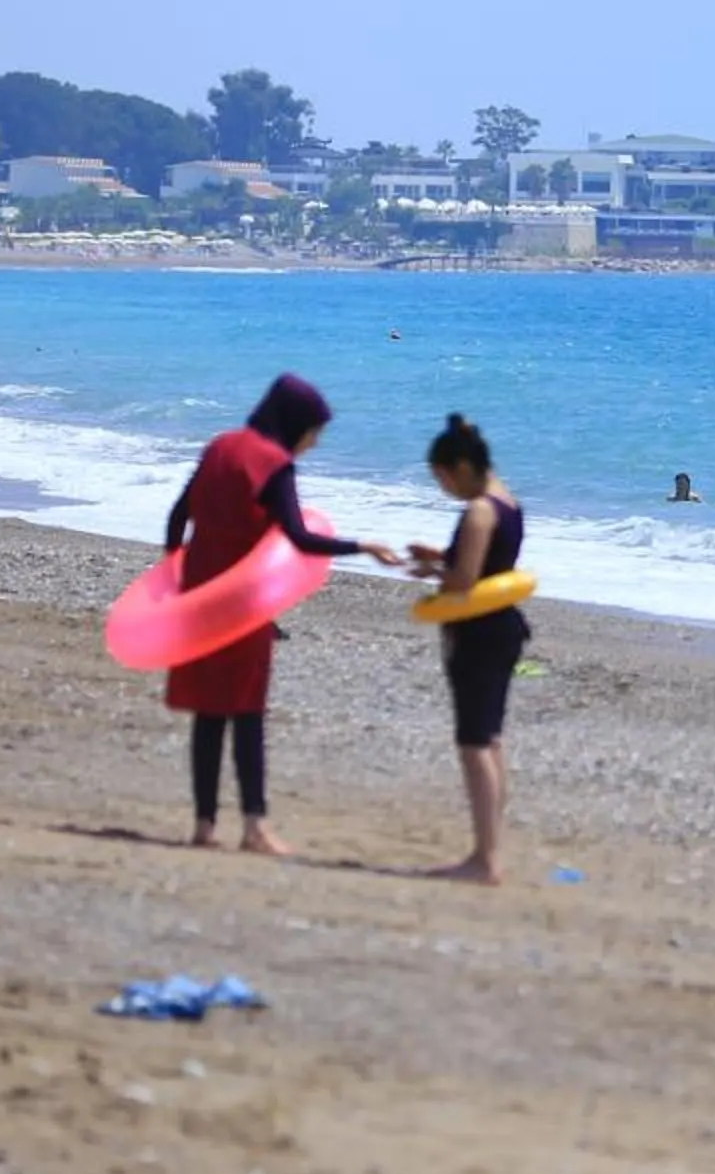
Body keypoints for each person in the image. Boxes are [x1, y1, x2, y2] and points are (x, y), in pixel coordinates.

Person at [163, 374, 400, 853]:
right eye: (314, 431)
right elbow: (299, 537)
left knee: (209, 712)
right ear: (295, 423)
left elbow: (177, 516)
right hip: (244, 602)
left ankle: (204, 827)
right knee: (246, 710)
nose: (314, 442)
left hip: (200, 594)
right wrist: (363, 546)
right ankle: (254, 828)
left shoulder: (220, 447)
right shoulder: (275, 465)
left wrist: (173, 579)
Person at [409, 413, 528, 886]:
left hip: (479, 634)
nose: (445, 490)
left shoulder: (478, 510)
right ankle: (489, 849)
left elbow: (464, 581)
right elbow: (490, 564)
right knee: (491, 739)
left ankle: (485, 860)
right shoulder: (508, 502)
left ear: (459, 467)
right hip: (504, 630)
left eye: (442, 480)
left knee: (474, 743)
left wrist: (434, 572)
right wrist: (439, 557)